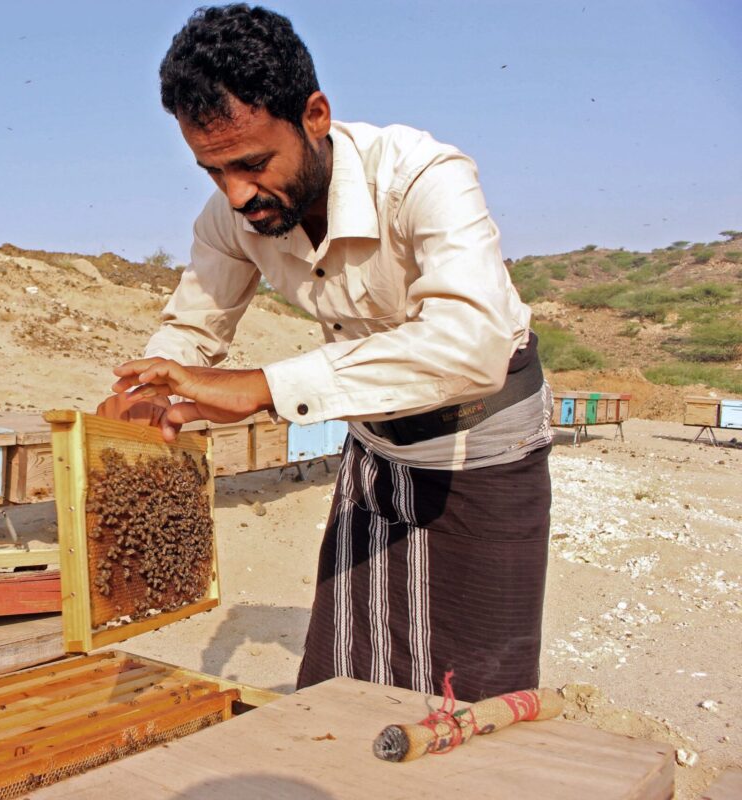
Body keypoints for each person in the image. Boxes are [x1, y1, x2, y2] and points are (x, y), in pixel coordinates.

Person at [98, 4, 553, 702]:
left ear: (314, 115)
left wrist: (262, 387)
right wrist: (151, 388)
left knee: (470, 692)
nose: (237, 194)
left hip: (481, 449)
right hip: (374, 446)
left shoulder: (424, 176)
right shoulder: (231, 218)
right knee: (348, 674)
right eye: (213, 171)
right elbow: (194, 327)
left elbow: (473, 344)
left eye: (252, 163)